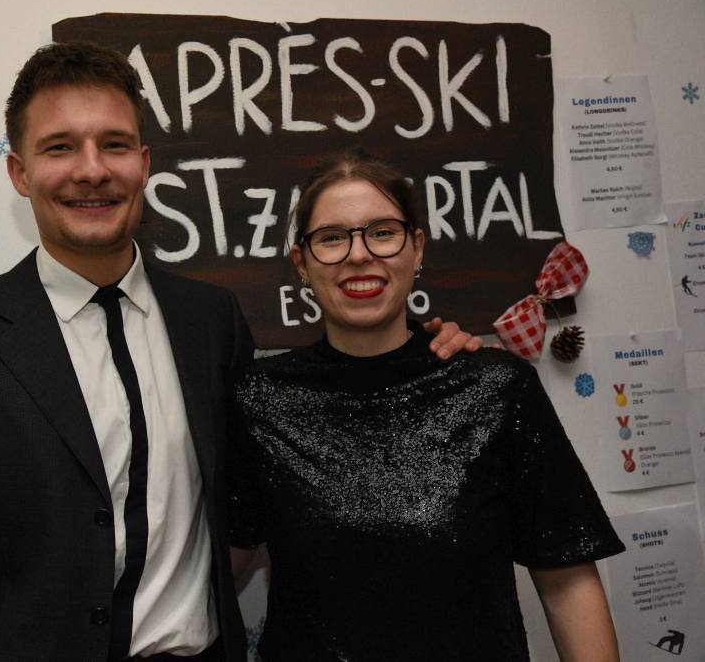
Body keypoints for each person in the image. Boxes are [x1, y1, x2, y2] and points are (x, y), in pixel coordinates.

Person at [0, 43, 477, 661]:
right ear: (20, 173)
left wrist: (425, 356)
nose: (91, 170)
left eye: (114, 144)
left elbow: (282, 466)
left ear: (144, 163)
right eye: (60, 147)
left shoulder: (210, 320)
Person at [228, 149, 624, 662]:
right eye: (332, 238)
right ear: (301, 263)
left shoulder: (497, 387)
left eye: (382, 232)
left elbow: (567, 580)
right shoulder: (260, 399)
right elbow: (217, 568)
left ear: (416, 249)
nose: (358, 254)